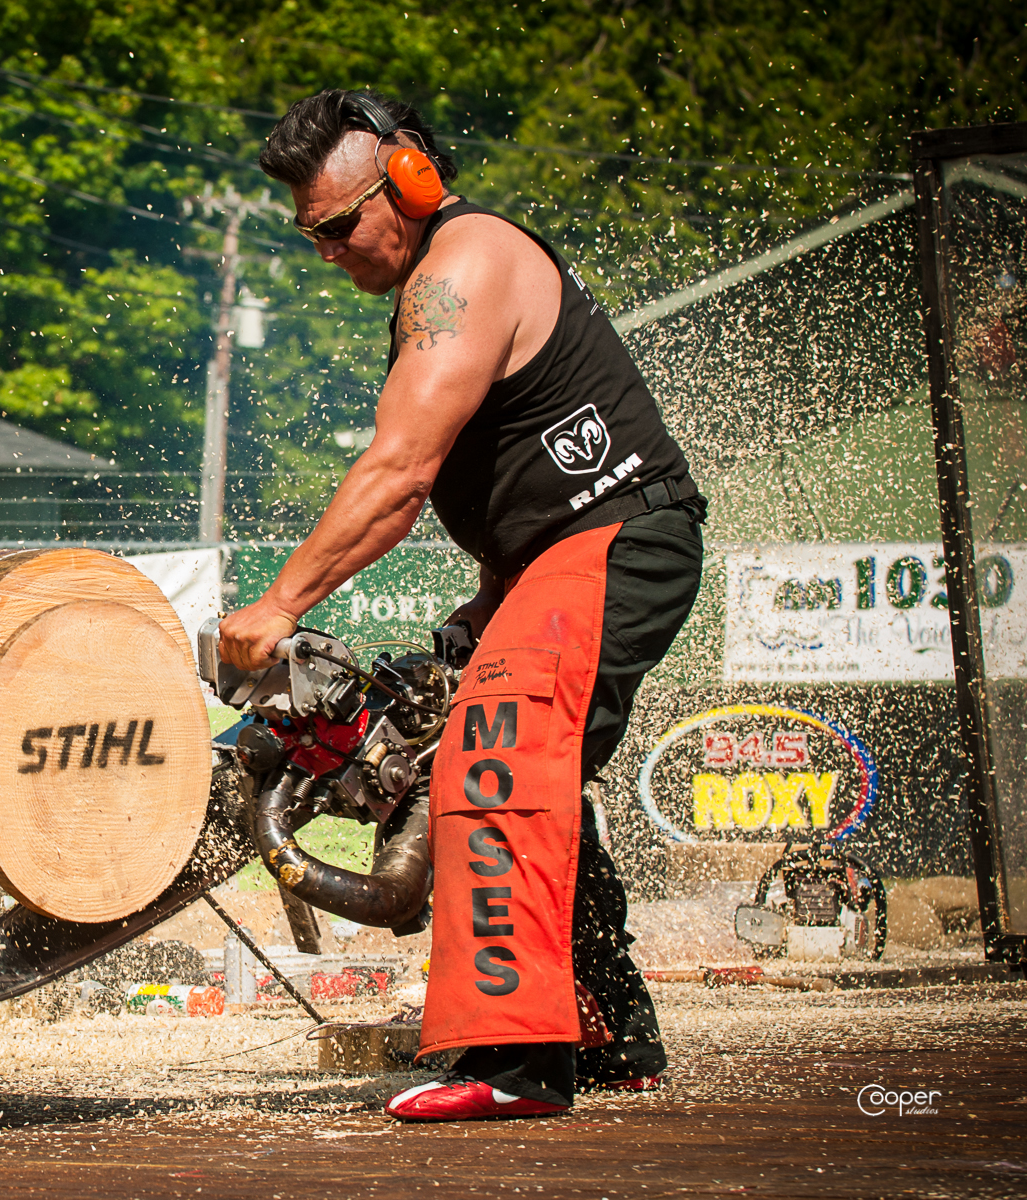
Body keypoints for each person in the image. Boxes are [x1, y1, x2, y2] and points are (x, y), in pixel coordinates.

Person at [218, 90, 704, 1123]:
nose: (327, 250)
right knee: (490, 761)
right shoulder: (430, 288)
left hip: (614, 540)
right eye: (310, 234)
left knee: (498, 749)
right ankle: (611, 1030)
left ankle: (520, 1063)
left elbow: (398, 475)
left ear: (411, 179)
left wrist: (277, 605)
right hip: (554, 560)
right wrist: (484, 606)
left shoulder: (464, 260)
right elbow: (513, 481)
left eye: (340, 224)